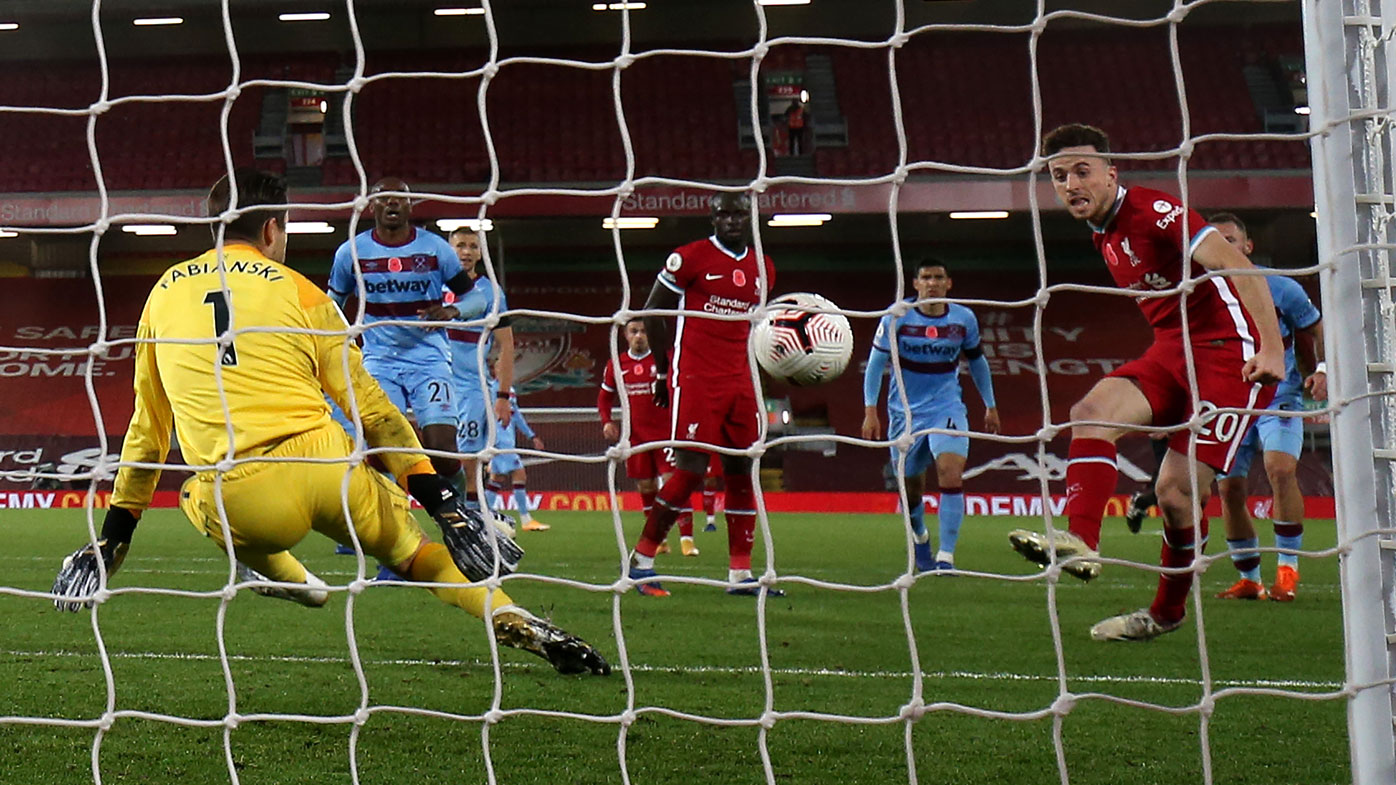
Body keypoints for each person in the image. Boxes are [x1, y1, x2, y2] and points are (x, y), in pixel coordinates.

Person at [50, 168, 608, 676]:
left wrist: (113, 539)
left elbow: (148, 431)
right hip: (328, 466)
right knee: (417, 555)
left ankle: (295, 581)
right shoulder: (302, 291)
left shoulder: (162, 295)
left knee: (196, 495)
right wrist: (445, 506)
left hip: (243, 492)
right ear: (271, 229)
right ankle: (513, 616)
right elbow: (375, 412)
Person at [1007, 124, 1285, 642]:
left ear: (1112, 173)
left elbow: (1236, 265)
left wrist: (1271, 347)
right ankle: (1082, 541)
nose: (1071, 184)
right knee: (1090, 414)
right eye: (1060, 176)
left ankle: (1166, 612)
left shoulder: (1154, 211)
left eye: (1082, 171)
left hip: (1230, 354)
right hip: (1172, 350)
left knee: (1176, 494)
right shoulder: (1104, 233)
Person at [624, 193, 781, 597]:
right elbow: (653, 311)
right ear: (712, 219)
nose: (731, 220)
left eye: (738, 213)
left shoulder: (764, 267)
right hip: (695, 376)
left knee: (741, 470)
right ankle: (641, 562)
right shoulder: (689, 258)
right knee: (691, 470)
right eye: (723, 214)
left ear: (749, 218)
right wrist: (663, 371)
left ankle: (740, 575)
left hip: (741, 379)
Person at [326, 178, 476, 499]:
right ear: (371, 206)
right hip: (379, 363)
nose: (392, 203)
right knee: (382, 453)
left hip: (430, 360)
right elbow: (332, 305)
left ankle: (463, 511)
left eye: (399, 198)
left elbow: (476, 298)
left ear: (411, 205)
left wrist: (453, 311)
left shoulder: (435, 249)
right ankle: (388, 517)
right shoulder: (351, 252)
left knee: (441, 450)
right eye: (384, 198)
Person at [1207, 212, 1326, 602]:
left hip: (1279, 395)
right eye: (1215, 242)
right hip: (1229, 402)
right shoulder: (1201, 293)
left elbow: (1315, 327)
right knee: (1229, 489)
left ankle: (1287, 571)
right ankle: (1250, 579)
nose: (1223, 248)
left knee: (1280, 469)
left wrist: (1321, 369)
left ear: (1247, 246)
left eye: (1230, 240)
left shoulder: (1280, 287)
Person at [861, 259, 1000, 572]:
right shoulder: (896, 317)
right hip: (904, 412)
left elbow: (977, 361)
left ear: (949, 283)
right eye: (926, 277)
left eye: (938, 277)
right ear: (915, 284)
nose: (932, 283)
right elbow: (875, 365)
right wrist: (870, 410)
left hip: (947, 406)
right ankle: (920, 536)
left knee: (950, 472)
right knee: (911, 488)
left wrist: (990, 404)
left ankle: (946, 557)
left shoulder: (964, 319)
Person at [598, 318, 699, 557]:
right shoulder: (616, 364)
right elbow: (604, 397)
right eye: (634, 331)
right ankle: (658, 539)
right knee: (646, 486)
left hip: (666, 435)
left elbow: (684, 388)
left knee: (675, 483)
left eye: (644, 331)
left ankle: (687, 539)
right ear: (625, 335)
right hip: (636, 437)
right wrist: (606, 421)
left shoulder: (665, 359)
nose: (639, 336)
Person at [444, 227, 518, 509]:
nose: (466, 251)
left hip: (471, 388)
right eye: (460, 245)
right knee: (440, 456)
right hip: (434, 382)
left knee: (469, 461)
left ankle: (471, 518)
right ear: (449, 250)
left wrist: (503, 396)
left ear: (480, 253)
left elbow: (507, 345)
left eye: (473, 246)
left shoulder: (491, 292)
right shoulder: (433, 286)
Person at [488, 380, 549, 532]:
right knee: (519, 474)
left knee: (497, 479)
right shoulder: (492, 388)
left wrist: (532, 436)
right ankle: (525, 519)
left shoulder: (509, 389)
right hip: (500, 441)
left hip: (507, 441)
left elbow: (516, 416)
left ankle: (481, 515)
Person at [1123, 433, 1170, 533]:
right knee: (1171, 487)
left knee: (1177, 487)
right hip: (1169, 436)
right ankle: (1142, 502)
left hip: (1191, 436)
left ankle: (1142, 501)